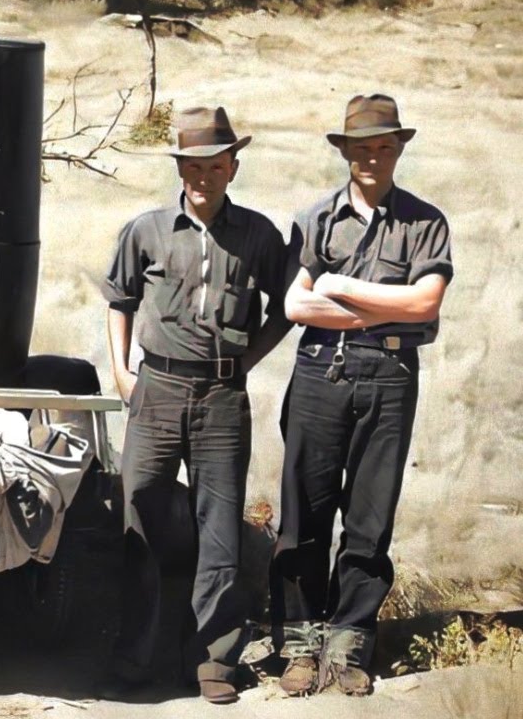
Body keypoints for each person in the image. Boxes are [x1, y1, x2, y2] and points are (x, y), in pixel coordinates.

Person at [99, 107, 292, 704]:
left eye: (214, 164)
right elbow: (119, 299)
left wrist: (245, 363)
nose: (203, 176)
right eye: (192, 166)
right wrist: (122, 372)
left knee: (220, 528)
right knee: (139, 515)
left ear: (233, 167)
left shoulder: (258, 235)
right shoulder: (148, 230)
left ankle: (214, 659)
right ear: (179, 169)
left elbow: (285, 308)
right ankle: (138, 652)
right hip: (155, 390)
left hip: (221, 397)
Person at [269, 94, 452, 697]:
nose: (373, 157)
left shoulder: (426, 222)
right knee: (303, 513)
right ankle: (299, 641)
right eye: (362, 148)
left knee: (370, 518)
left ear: (398, 148)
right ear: (343, 152)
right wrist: (386, 311)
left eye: (384, 146)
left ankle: (350, 642)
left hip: (390, 380)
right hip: (320, 372)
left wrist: (342, 287)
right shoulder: (317, 219)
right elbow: (296, 305)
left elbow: (426, 303)